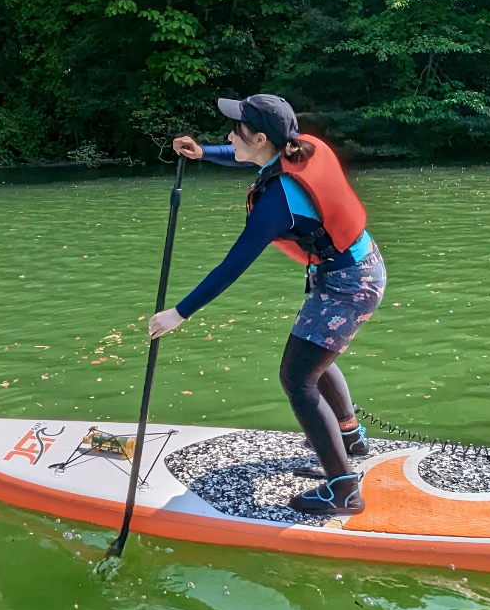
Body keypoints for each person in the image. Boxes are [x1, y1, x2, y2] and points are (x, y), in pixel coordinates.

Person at [147, 94, 387, 514]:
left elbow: (231, 266)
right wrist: (205, 153)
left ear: (261, 138)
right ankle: (351, 439)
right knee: (316, 356)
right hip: (353, 268)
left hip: (350, 283)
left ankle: (345, 490)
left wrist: (178, 313)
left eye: (236, 132)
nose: (229, 136)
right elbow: (248, 158)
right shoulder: (299, 147)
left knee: (297, 379)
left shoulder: (278, 203)